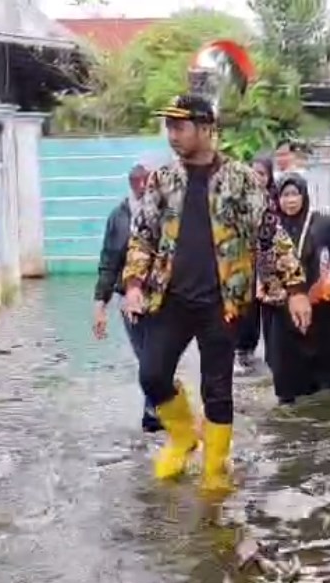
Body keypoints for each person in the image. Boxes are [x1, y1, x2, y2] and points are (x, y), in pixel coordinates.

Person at [122, 94, 310, 492]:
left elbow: (270, 235)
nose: (172, 134)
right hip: (169, 298)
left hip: (223, 301)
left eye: (181, 125)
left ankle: (215, 466)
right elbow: (143, 236)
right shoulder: (162, 180)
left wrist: (294, 288)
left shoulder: (240, 179)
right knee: (152, 374)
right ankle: (183, 436)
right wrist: (135, 284)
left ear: (207, 128)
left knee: (218, 389)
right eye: (169, 126)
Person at [260, 174, 330, 405]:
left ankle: (327, 415)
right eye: (284, 195)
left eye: (295, 194)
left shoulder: (324, 224)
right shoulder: (268, 227)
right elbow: (256, 260)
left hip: (320, 306)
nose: (290, 201)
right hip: (281, 307)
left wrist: (326, 288)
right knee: (285, 369)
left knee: (324, 370)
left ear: (304, 195)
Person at [92, 160, 163, 432]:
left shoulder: (168, 212)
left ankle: (156, 411)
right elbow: (109, 262)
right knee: (146, 358)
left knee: (158, 357)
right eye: (138, 182)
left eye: (148, 181)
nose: (143, 187)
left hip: (164, 298)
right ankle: (154, 411)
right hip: (130, 300)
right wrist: (100, 306)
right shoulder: (119, 217)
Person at [233, 154, 277, 374]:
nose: (257, 178)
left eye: (262, 174)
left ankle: (267, 353)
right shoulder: (239, 200)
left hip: (268, 263)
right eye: (253, 173)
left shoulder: (275, 200)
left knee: (266, 308)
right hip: (243, 262)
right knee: (245, 308)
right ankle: (242, 351)